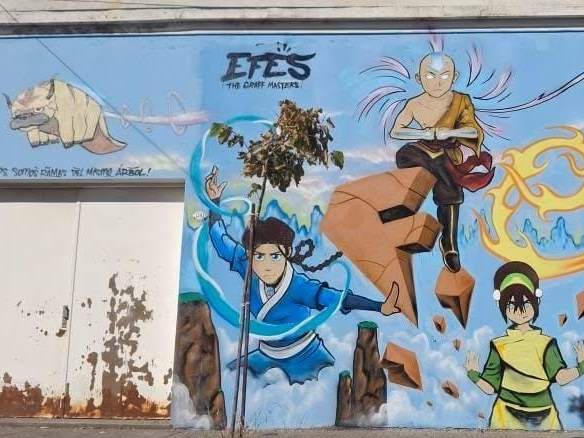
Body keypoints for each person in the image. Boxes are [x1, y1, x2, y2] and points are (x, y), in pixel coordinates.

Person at [204, 166, 401, 384]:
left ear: (287, 253)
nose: (266, 265)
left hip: (307, 357)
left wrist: (379, 307)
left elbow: (338, 298)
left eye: (274, 256)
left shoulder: (299, 286)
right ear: (250, 255)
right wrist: (214, 202)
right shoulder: (248, 268)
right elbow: (221, 241)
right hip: (266, 355)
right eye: (258, 256)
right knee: (232, 374)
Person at [389, 52, 496, 272]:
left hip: (447, 154)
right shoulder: (414, 104)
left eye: (444, 76)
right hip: (421, 150)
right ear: (419, 79)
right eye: (430, 76)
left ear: (454, 77)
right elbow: (396, 131)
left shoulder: (460, 101)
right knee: (413, 161)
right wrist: (425, 134)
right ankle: (401, 216)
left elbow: (472, 130)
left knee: (450, 187)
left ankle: (449, 244)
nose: (437, 82)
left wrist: (449, 133)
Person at [464, 261, 584, 430]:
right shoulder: (499, 345)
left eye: (525, 304)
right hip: (505, 413)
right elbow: (490, 387)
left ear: (536, 301)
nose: (520, 310)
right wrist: (473, 374)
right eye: (512, 305)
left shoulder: (546, 343)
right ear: (500, 305)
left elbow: (560, 377)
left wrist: (582, 366)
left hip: (544, 414)